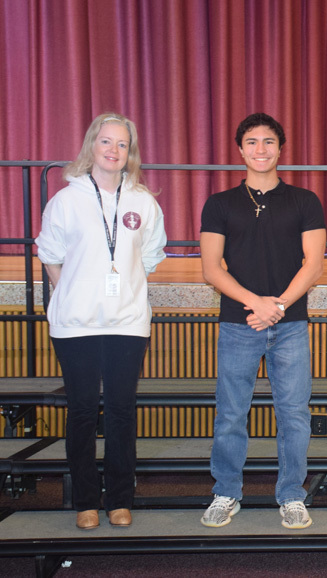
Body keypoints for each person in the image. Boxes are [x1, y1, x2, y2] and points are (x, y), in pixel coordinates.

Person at [36, 113, 167, 529]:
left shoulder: (144, 202)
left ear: (131, 153)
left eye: (122, 144)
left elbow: (147, 259)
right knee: (81, 411)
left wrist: (120, 288)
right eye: (106, 142)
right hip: (76, 324)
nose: (113, 150)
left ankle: (120, 499)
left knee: (121, 410)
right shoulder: (66, 200)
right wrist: (76, 291)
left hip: (126, 323)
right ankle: (86, 502)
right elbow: (51, 255)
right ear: (92, 146)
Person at [199, 113, 326, 529]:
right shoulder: (219, 203)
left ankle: (291, 495)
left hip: (290, 324)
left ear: (280, 147)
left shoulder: (305, 200)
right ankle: (226, 492)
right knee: (231, 412)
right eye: (252, 142)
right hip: (239, 323)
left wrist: (280, 305)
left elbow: (314, 264)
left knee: (294, 413)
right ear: (239, 149)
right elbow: (211, 269)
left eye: (268, 141)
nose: (260, 149)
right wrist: (256, 303)